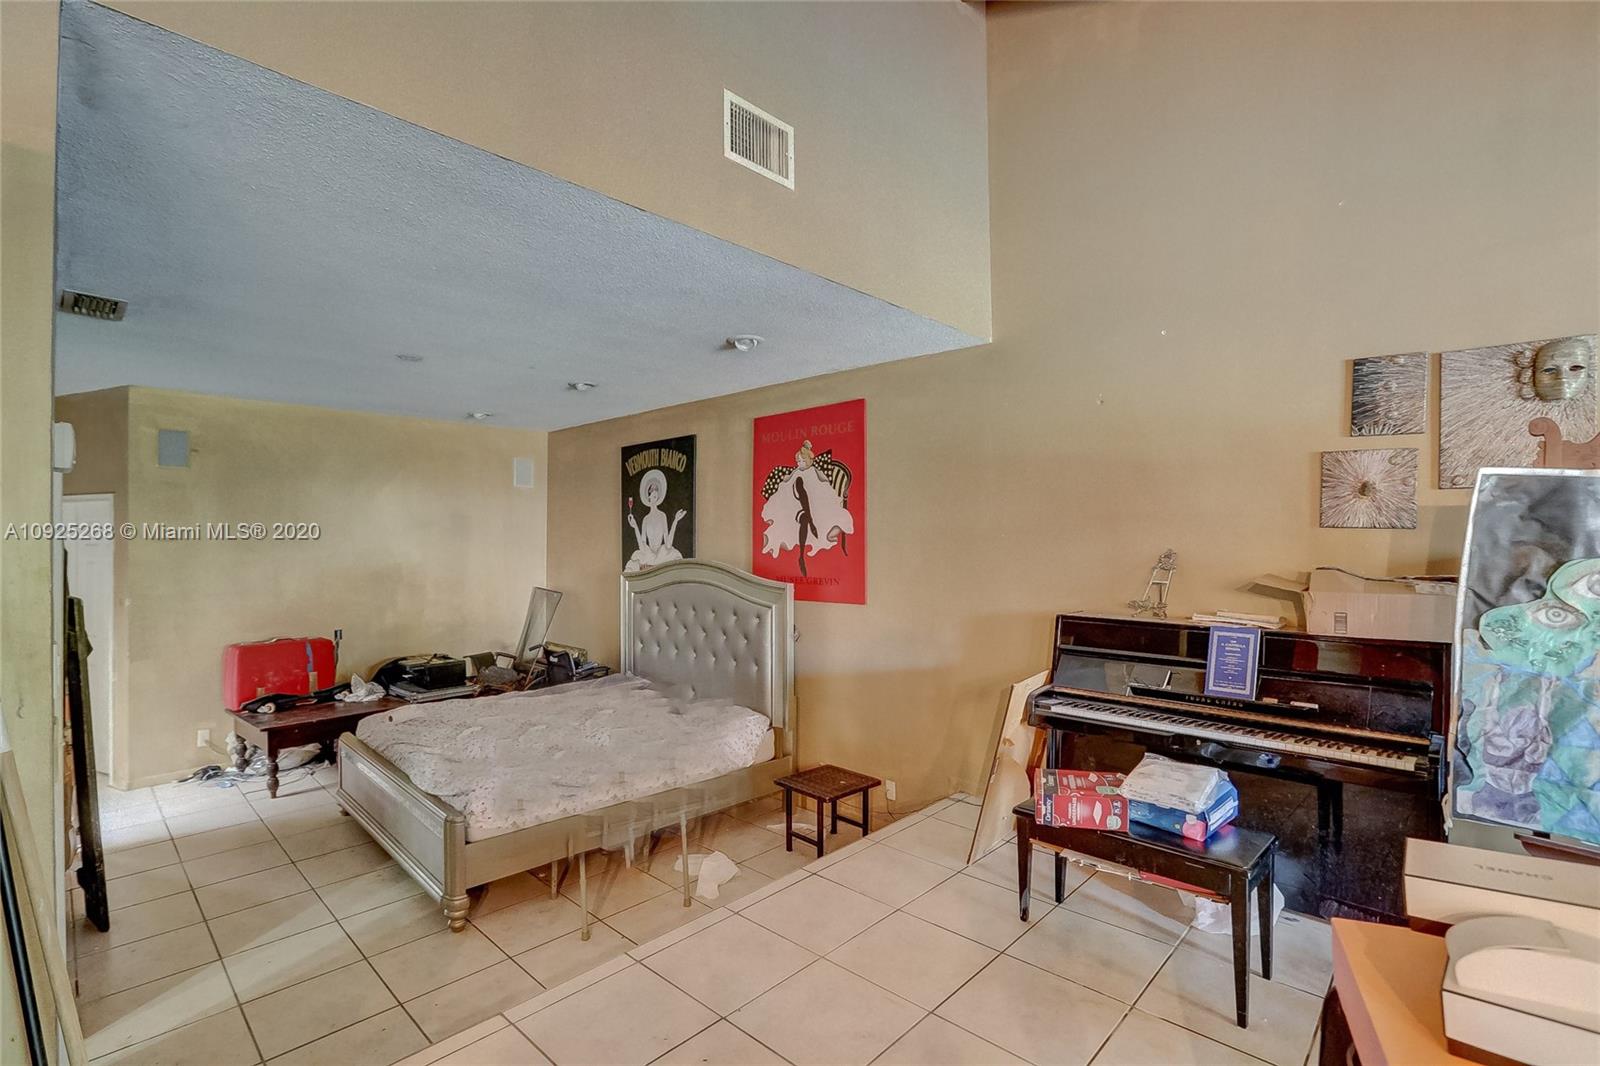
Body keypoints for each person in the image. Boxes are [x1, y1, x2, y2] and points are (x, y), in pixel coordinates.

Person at [759, 440, 852, 576]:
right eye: (798, 462)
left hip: (817, 504)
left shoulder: (814, 471)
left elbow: (824, 480)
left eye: (802, 462)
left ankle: (803, 550)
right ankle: (810, 523)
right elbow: (788, 478)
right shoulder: (797, 471)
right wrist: (786, 477)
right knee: (798, 485)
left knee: (803, 507)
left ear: (808, 461)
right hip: (795, 503)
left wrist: (822, 486)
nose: (799, 464)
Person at [625, 469, 685, 572]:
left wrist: (675, 520)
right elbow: (642, 547)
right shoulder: (646, 519)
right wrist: (635, 527)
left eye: (656, 490)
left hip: (661, 555)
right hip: (649, 555)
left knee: (675, 558)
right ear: (648, 496)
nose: (654, 492)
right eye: (652, 490)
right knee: (633, 563)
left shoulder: (662, 516)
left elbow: (668, 544)